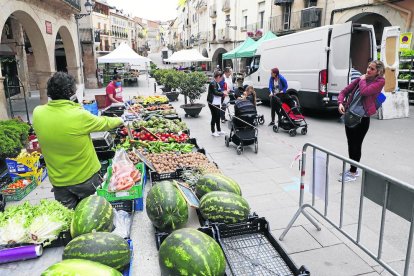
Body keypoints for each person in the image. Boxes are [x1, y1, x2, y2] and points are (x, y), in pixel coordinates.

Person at [33, 72, 123, 209]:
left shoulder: (38, 113)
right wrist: (121, 119)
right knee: (93, 216)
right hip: (86, 179)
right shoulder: (79, 115)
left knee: (70, 220)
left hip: (59, 182)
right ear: (72, 93)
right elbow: (104, 122)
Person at [337, 60, 385, 182]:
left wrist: (362, 79)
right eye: (368, 67)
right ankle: (353, 168)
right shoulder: (360, 79)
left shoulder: (379, 82)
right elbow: (344, 91)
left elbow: (365, 91)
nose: (368, 70)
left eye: (372, 69)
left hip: (362, 119)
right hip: (350, 114)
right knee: (350, 143)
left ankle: (353, 173)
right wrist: (340, 103)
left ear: (378, 72)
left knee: (356, 145)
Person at [207, 71, 228, 137]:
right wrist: (223, 93)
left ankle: (219, 130)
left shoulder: (217, 83)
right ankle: (213, 131)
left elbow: (218, 91)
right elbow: (215, 92)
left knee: (218, 116)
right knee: (214, 116)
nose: (222, 79)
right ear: (218, 77)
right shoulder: (212, 83)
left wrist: (223, 92)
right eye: (221, 78)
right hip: (212, 103)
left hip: (217, 102)